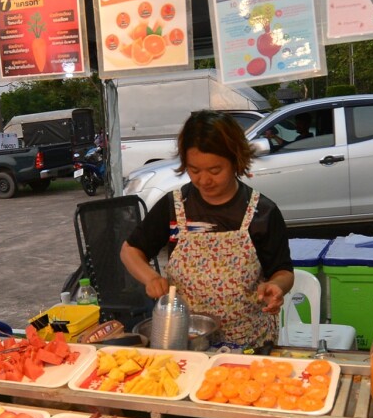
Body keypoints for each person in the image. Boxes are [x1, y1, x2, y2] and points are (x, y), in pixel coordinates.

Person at [120, 111, 294, 348]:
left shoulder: (262, 212)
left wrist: (277, 286)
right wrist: (150, 277)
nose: (204, 180)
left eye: (214, 170)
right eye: (194, 170)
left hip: (248, 343)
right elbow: (130, 251)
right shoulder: (174, 206)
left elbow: (283, 271)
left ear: (235, 160)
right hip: (187, 342)